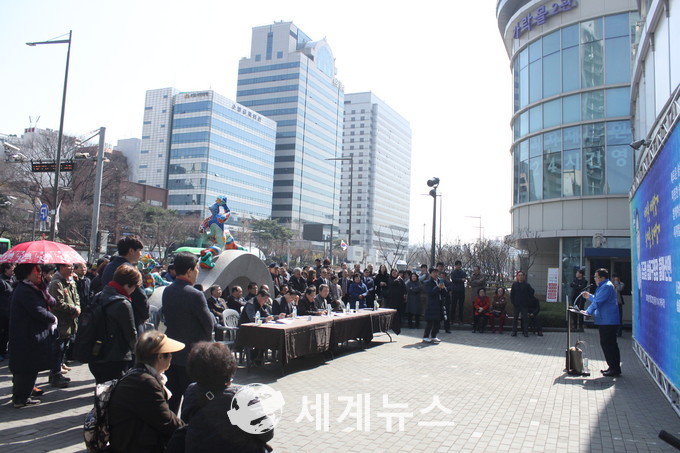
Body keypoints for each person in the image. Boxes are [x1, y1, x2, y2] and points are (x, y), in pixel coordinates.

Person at [168, 342, 274, 453]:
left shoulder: (192, 391)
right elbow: (267, 434)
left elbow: (186, 421)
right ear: (229, 367)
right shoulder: (243, 396)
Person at [108, 330, 185, 452]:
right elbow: (166, 421)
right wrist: (191, 431)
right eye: (169, 354)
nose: (171, 357)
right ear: (160, 357)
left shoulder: (138, 374)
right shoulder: (145, 382)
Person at [161, 252, 216, 414]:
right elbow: (209, 324)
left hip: (172, 353)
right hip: (191, 356)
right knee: (192, 401)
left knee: (172, 399)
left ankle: (171, 427)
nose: (198, 272)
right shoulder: (195, 295)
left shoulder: (167, 291)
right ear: (190, 271)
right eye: (197, 268)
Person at [8, 263, 58, 407]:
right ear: (27, 274)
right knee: (26, 369)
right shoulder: (24, 290)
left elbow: (52, 302)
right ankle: (21, 398)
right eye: (36, 272)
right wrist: (52, 318)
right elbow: (37, 310)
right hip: (26, 335)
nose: (39, 274)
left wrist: (44, 290)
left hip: (32, 334)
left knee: (29, 368)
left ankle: (23, 396)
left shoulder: (35, 288)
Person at [88, 265, 141, 384]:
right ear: (127, 285)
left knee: (101, 390)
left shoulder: (99, 296)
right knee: (113, 391)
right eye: (135, 287)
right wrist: (139, 354)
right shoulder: (122, 303)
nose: (134, 291)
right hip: (115, 357)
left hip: (95, 353)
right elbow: (130, 334)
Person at [102, 236, 149, 332]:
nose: (141, 254)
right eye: (139, 250)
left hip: (108, 316)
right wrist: (145, 315)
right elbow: (140, 297)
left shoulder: (108, 266)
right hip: (130, 319)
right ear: (131, 251)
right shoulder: (129, 270)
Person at [583, 268, 621, 376]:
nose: (595, 279)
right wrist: (589, 296)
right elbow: (598, 299)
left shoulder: (606, 286)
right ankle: (613, 367)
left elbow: (598, 302)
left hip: (608, 321)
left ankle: (614, 368)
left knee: (608, 344)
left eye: (596, 277)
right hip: (606, 320)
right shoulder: (604, 286)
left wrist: (588, 311)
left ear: (602, 277)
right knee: (609, 344)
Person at [48, 263, 80, 387]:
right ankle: (55, 374)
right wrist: (73, 309)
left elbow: (76, 297)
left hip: (69, 322)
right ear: (61, 267)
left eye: (72, 266)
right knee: (58, 349)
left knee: (64, 348)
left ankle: (58, 372)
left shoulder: (70, 281)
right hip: (61, 322)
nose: (71, 268)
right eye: (68, 266)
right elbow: (57, 303)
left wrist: (77, 307)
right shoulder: (56, 283)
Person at [423, 268, 446, 343]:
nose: (436, 274)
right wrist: (438, 287)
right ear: (430, 274)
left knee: (437, 321)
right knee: (430, 321)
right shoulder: (427, 282)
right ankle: (426, 336)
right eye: (434, 272)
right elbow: (430, 293)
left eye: (436, 272)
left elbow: (445, 293)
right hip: (431, 304)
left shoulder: (440, 281)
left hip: (439, 303)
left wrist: (443, 288)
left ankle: (434, 336)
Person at [510, 271, 534, 338]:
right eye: (519, 275)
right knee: (515, 319)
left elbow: (532, 292)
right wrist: (513, 302)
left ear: (524, 277)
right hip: (516, 304)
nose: (520, 277)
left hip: (524, 305)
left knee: (525, 319)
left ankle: (525, 332)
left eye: (521, 275)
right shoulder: (514, 284)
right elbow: (512, 294)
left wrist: (528, 300)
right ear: (517, 276)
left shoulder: (527, 285)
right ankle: (514, 331)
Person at [0, 263, 15, 361]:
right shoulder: (1, 281)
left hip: (10, 311)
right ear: (6, 269)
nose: (13, 271)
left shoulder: (13, 279)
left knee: (7, 333)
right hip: (2, 312)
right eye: (11, 269)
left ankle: (5, 351)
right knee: (2, 333)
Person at [450, 260, 467, 325]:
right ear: (455, 266)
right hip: (455, 290)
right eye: (457, 265)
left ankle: (460, 319)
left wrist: (461, 279)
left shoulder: (463, 272)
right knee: (453, 305)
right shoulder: (453, 272)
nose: (458, 266)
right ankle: (452, 319)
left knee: (461, 306)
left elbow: (464, 279)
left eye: (459, 265)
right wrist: (460, 279)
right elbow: (453, 279)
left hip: (461, 290)